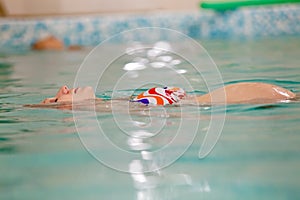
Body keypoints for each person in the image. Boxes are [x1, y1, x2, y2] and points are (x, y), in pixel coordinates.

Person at [40, 82, 296, 106]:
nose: (63, 88)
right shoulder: (102, 111)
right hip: (209, 103)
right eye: (56, 98)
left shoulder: (112, 104)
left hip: (209, 99)